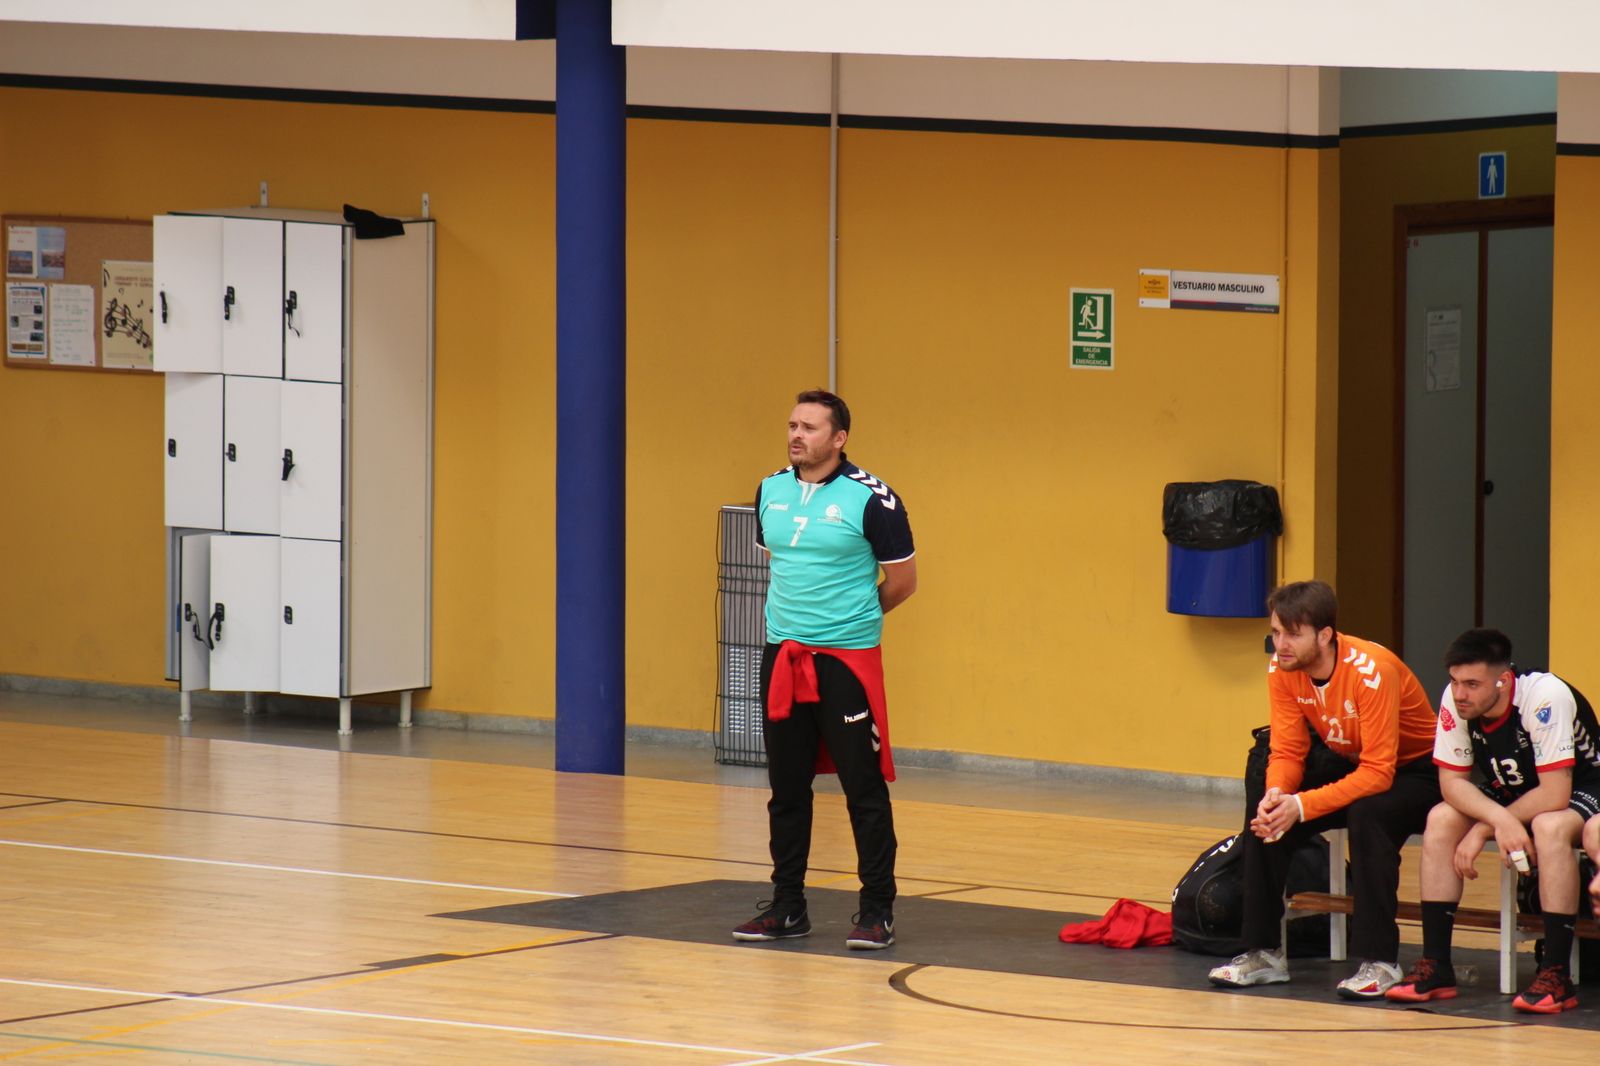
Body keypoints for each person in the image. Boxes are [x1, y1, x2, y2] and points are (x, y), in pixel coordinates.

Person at [731, 389, 917, 950]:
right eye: (793, 424)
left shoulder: (873, 499)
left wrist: (852, 620)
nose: (797, 434)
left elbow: (902, 582)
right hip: (783, 656)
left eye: (809, 427)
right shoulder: (770, 490)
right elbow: (782, 560)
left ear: (839, 439)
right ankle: (788, 906)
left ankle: (877, 911)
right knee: (786, 787)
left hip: (846, 660)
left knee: (863, 787)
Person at [1209, 580, 1441, 999]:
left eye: (1292, 634)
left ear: (1325, 635)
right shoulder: (1282, 668)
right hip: (1354, 760)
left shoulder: (1371, 671)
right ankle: (1262, 953)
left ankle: (1380, 962)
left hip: (1417, 771)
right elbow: (1288, 748)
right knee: (1266, 814)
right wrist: (1278, 794)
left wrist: (1301, 805)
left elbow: (1379, 773)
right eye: (1276, 632)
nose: (1281, 644)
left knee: (1368, 813)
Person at [1385, 628, 1600, 1014]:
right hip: (1517, 790)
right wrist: (1501, 819)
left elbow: (1554, 794)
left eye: (1472, 684)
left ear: (1503, 681)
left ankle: (1556, 974)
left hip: (1581, 787)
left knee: (1549, 827)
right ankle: (1436, 965)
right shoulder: (1456, 700)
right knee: (1441, 818)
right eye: (1454, 681)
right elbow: (1451, 784)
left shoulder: (1544, 696)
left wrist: (1485, 827)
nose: (1459, 693)